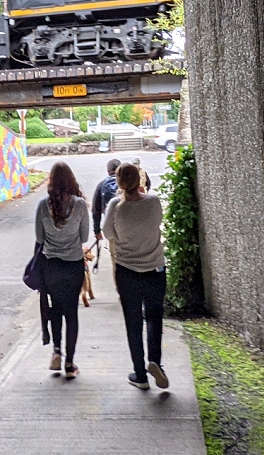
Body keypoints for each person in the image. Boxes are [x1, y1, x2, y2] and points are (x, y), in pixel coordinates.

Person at [102, 162, 168, 391]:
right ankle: (155, 362)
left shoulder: (115, 205)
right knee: (154, 318)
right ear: (139, 179)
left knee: (133, 322)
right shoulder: (153, 201)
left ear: (119, 182)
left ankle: (140, 375)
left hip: (127, 270)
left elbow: (107, 232)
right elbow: (158, 222)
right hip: (155, 269)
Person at [35, 161, 90, 380]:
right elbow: (84, 237)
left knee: (56, 309)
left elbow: (40, 238)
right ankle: (69, 362)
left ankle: (56, 351)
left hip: (51, 265)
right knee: (71, 312)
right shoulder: (79, 204)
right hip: (73, 264)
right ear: (70, 180)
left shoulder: (42, 205)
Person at [91, 157, 121, 239]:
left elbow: (96, 210)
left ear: (108, 171)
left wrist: (97, 230)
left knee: (114, 246)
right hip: (128, 226)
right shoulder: (128, 183)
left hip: (111, 226)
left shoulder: (102, 184)